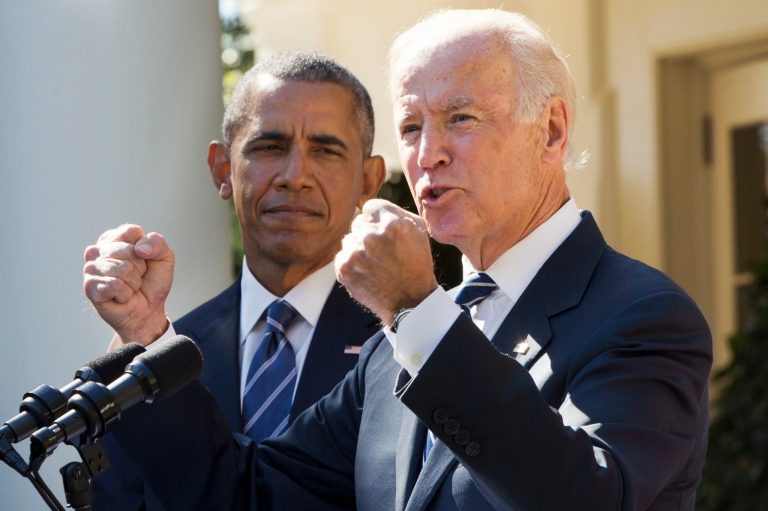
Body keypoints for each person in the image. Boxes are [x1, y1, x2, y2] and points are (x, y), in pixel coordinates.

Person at [88, 9, 712, 511]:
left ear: (550, 130)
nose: (428, 153)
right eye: (411, 127)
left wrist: (417, 309)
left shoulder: (643, 317)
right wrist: (147, 337)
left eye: (460, 118)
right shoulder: (396, 345)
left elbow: (591, 498)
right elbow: (244, 493)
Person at [82, 51, 385, 509]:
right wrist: (141, 342)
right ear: (222, 169)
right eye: (269, 147)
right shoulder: (156, 351)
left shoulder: (403, 346)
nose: (295, 176)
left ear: (368, 180)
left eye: (326, 150)